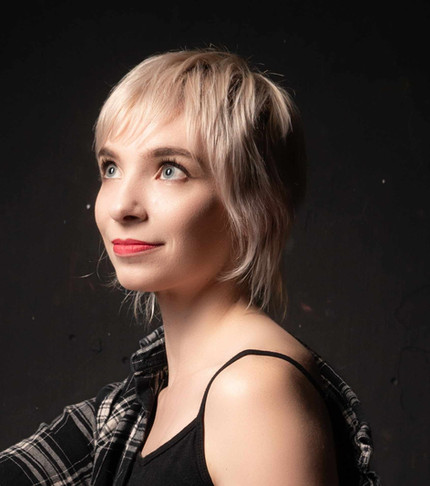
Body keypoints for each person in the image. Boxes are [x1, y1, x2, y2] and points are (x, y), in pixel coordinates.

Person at [0, 48, 379, 485]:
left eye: (170, 170)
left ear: (253, 203)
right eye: (111, 167)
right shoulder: (145, 399)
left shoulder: (252, 391)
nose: (122, 206)